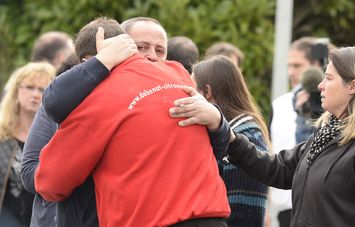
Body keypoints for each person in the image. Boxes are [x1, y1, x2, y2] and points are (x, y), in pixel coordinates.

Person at [170, 46, 355, 227]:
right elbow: (277, 169)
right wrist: (224, 130)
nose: (320, 86)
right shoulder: (328, 135)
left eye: (329, 78)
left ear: (352, 86)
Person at [34, 17, 231, 227]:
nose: (151, 57)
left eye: (159, 50)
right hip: (211, 218)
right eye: (141, 47)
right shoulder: (179, 75)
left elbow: (51, 183)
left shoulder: (100, 98)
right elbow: (216, 149)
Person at [20, 24, 138, 227]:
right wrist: (68, 168)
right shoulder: (58, 100)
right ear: (89, 61)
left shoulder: (139, 99)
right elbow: (30, 172)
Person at [191, 55, 270, 226]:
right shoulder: (228, 129)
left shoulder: (245, 133)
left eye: (192, 89)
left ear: (207, 91)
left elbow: (246, 210)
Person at [268, 37, 330, 226]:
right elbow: (271, 153)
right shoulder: (279, 105)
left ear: (316, 65)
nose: (291, 72)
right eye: (289, 66)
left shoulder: (332, 103)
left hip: (320, 205)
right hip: (285, 205)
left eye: (297, 65)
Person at [0, 62, 55, 227]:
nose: (35, 94)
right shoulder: (3, 135)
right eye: (30, 87)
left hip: (44, 216)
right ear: (17, 92)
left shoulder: (56, 136)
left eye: (42, 89)